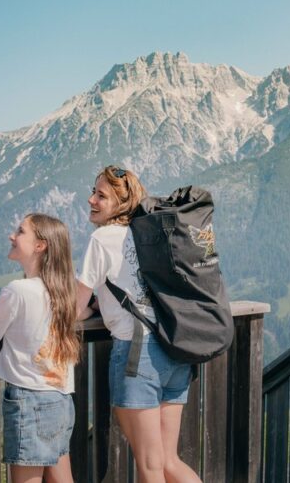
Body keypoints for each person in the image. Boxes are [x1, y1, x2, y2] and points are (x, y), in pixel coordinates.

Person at [76, 166, 201, 483]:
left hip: (137, 354)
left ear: (121, 202)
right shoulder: (149, 233)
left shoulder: (102, 239)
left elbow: (74, 309)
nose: (91, 199)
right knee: (168, 461)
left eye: (101, 195)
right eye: (93, 191)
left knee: (149, 466)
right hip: (175, 347)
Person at [0, 213, 80, 483]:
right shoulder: (62, 290)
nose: (12, 236)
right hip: (60, 399)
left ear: (40, 245)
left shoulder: (18, 290)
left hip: (28, 400)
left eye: (20, 232)